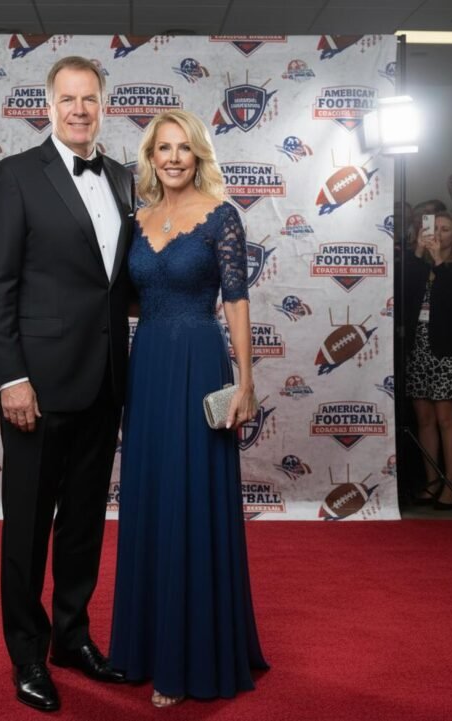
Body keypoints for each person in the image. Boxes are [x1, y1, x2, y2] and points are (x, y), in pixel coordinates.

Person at [0, 56, 134, 712]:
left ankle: (72, 637)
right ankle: (27, 655)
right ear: (48, 105)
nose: (79, 110)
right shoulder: (14, 175)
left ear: (104, 105)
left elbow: (116, 282)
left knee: (84, 524)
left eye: (89, 98)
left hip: (105, 381)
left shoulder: (124, 177)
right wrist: (11, 378)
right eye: (67, 99)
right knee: (28, 527)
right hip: (35, 387)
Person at [109, 109, 268, 708]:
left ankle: (191, 656)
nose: (173, 158)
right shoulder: (136, 219)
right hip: (148, 364)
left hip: (200, 360)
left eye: (183, 148)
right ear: (150, 158)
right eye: (163, 149)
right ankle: (147, 649)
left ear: (198, 154)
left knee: (191, 495)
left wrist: (246, 380)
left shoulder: (222, 216)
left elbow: (237, 301)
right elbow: (130, 298)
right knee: (151, 495)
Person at [403, 212, 452, 509]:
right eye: (435, 229)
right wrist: (419, 253)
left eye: (446, 230)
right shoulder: (419, 265)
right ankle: (432, 481)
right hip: (418, 347)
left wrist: (439, 261)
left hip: (446, 350)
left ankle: (451, 482)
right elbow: (404, 292)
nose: (439, 234)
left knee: (447, 419)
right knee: (425, 419)